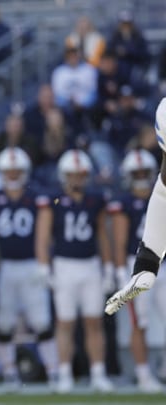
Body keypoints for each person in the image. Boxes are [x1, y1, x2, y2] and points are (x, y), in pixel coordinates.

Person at [0, 147, 58, 390]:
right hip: (4, 267)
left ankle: (54, 372)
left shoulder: (36, 197)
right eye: (8, 171)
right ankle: (10, 372)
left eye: (17, 171)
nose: (12, 175)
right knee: (3, 323)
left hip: (31, 264)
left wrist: (44, 265)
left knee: (42, 321)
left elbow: (43, 235)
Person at [35, 149, 113, 393]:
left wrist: (108, 267)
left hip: (90, 265)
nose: (77, 179)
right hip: (64, 266)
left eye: (80, 175)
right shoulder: (53, 200)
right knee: (65, 323)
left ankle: (98, 373)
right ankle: (65, 373)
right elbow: (43, 235)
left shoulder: (95, 200)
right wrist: (43, 266)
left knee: (93, 322)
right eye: (72, 174)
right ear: (63, 175)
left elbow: (103, 234)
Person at [108, 149, 164, 393]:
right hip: (138, 264)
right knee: (138, 322)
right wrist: (120, 269)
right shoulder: (125, 202)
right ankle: (143, 374)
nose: (141, 176)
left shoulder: (161, 196)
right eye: (136, 173)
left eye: (144, 172)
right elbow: (119, 241)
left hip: (163, 263)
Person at [106, 97, 166, 315]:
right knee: (140, 321)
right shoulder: (126, 201)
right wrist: (134, 267)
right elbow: (162, 196)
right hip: (142, 258)